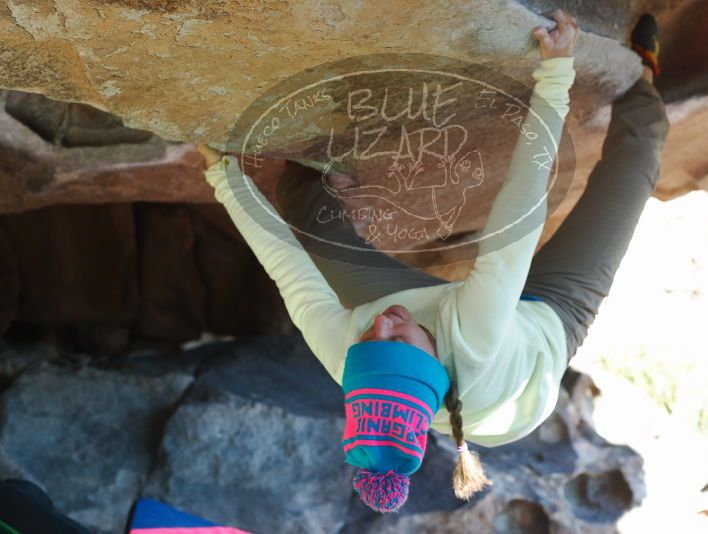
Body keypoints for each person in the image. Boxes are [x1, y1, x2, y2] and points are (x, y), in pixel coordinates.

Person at [198, 10, 669, 513]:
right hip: (549, 325)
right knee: (632, 173)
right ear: (432, 364)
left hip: (436, 324)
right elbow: (522, 205)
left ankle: (334, 189)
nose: (380, 324)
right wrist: (556, 72)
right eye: (396, 339)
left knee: (302, 206)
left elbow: (288, 270)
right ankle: (646, 77)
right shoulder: (474, 336)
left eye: (367, 339)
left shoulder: (351, 358)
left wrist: (224, 176)